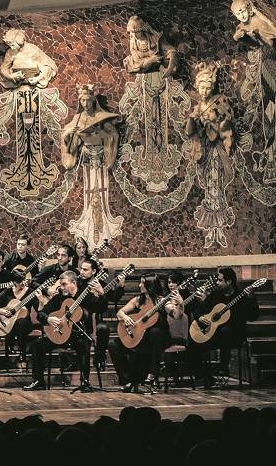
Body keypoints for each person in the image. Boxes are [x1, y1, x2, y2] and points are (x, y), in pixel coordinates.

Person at [60, 85, 124, 247]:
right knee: (89, 190)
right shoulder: (79, 117)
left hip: (101, 158)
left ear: (93, 100)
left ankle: (103, 225)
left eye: (88, 100)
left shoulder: (100, 116)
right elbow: (66, 136)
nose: (85, 103)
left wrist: (101, 134)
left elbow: (113, 134)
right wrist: (68, 134)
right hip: (87, 159)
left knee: (101, 189)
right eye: (82, 100)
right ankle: (88, 222)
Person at [23, 270, 105, 392]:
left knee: (85, 344)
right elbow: (42, 314)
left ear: (73, 283)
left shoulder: (86, 296)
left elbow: (102, 308)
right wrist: (48, 318)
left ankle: (85, 382)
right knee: (37, 344)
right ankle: (38, 381)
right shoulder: (58, 298)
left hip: (77, 336)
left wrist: (101, 293)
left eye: (64, 284)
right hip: (59, 335)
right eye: (60, 284)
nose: (61, 288)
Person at [185, 63, 236, 249]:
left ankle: (219, 229)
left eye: (208, 87)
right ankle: (212, 231)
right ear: (197, 87)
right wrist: (193, 120)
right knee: (209, 187)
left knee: (217, 185)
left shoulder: (219, 102)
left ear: (212, 87)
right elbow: (191, 131)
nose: (205, 91)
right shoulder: (198, 107)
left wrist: (216, 123)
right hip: (204, 150)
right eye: (202, 87)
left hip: (217, 151)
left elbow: (227, 126)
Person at [186, 268, 259, 388]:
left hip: (234, 335)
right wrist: (199, 318)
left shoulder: (240, 296)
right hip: (214, 335)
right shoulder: (216, 294)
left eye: (220, 280)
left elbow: (253, 316)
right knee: (191, 344)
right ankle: (204, 376)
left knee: (225, 331)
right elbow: (200, 309)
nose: (217, 283)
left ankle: (223, 366)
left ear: (229, 281)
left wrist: (251, 297)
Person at [108, 274, 175, 394]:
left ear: (150, 285)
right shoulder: (138, 300)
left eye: (142, 283)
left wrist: (178, 305)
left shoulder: (162, 300)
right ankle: (128, 379)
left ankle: (152, 373)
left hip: (158, 339)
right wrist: (125, 317)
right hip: (140, 338)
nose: (139, 285)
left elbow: (175, 313)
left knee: (156, 332)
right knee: (114, 344)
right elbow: (120, 312)